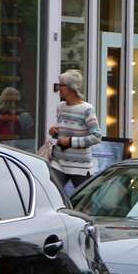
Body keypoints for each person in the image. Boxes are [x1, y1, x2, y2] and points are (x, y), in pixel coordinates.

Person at [46, 69, 100, 197]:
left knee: (84, 202)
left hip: (80, 166)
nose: (59, 88)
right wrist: (54, 132)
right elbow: (64, 130)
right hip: (58, 162)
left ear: (71, 88)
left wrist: (70, 141)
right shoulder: (60, 107)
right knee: (51, 195)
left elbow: (97, 137)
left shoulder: (86, 109)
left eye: (61, 85)